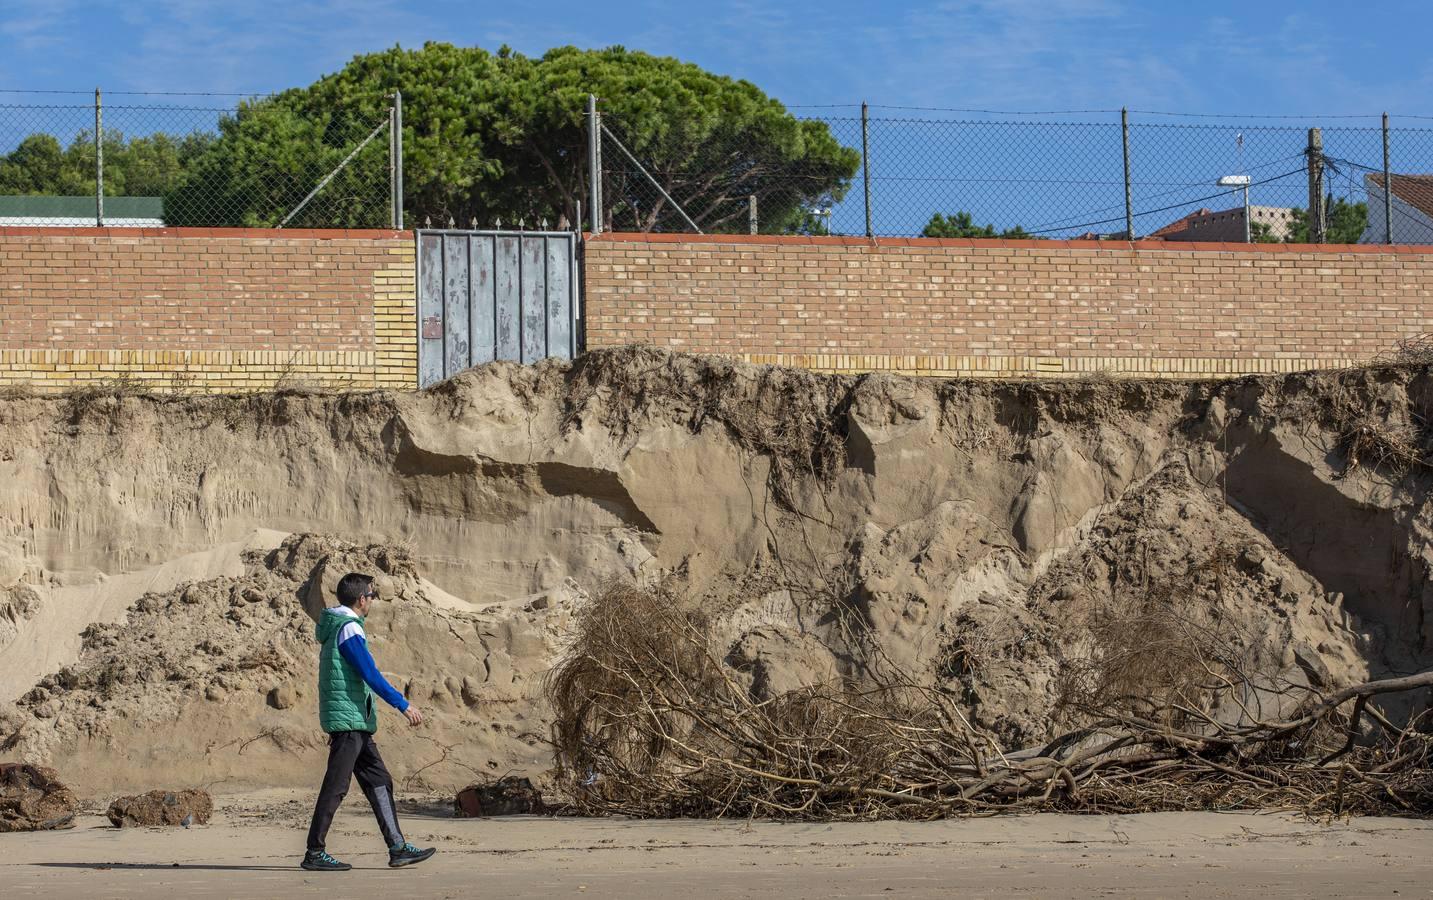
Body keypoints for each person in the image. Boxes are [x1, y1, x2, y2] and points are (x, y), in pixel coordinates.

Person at [301, 572, 437, 872]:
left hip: (356, 722)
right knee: (335, 786)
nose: (373, 600)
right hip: (348, 722)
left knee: (379, 781)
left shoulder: (344, 626)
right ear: (362, 599)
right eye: (372, 595)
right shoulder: (349, 628)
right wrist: (403, 705)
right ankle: (314, 851)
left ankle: (398, 847)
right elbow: (370, 674)